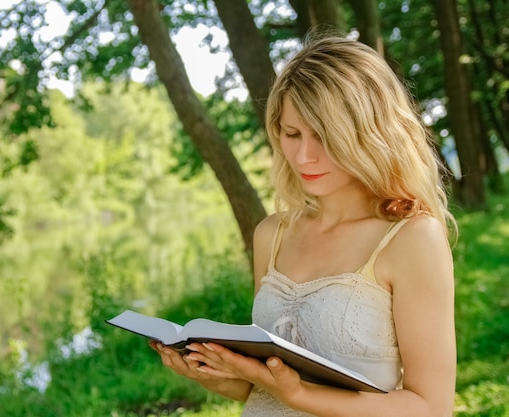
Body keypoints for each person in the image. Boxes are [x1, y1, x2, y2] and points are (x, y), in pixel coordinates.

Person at [149, 35, 457, 417]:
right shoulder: (272, 235)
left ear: (371, 134)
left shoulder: (410, 238)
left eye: (325, 138)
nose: (304, 156)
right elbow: (265, 389)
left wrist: (300, 395)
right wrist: (213, 373)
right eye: (291, 134)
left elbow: (431, 406)